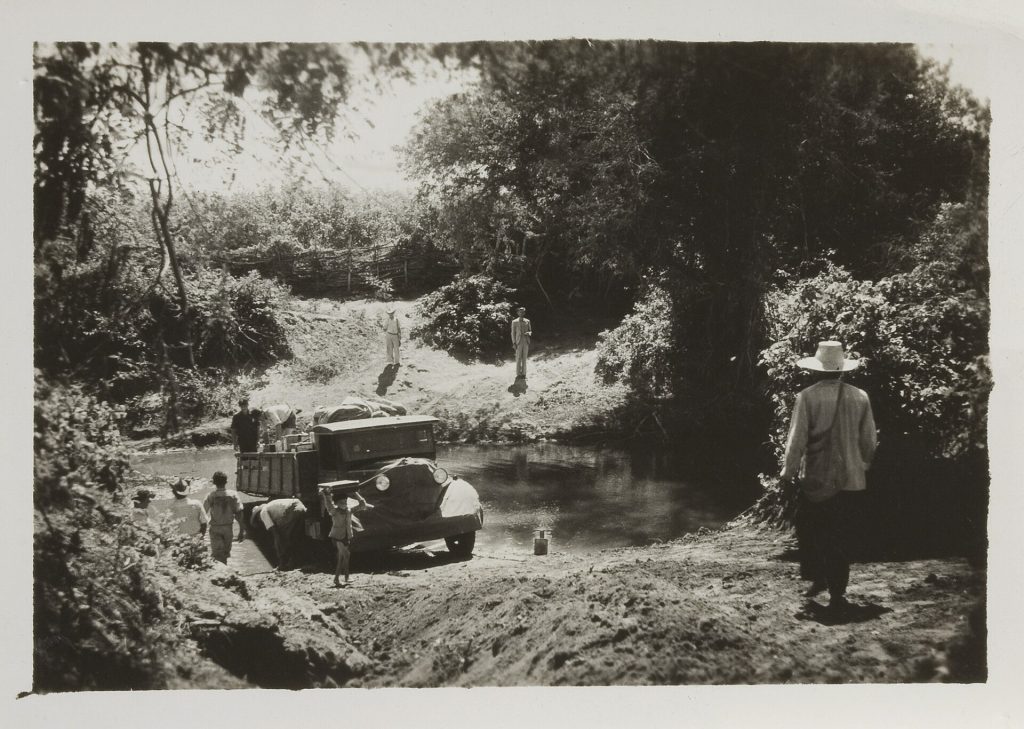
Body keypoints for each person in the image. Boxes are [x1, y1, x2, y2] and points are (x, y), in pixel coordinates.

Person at [781, 341, 878, 612]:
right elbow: (869, 440)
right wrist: (863, 464)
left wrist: (788, 472)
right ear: (842, 369)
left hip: (818, 478)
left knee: (814, 530)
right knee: (840, 536)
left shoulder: (807, 397)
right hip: (852, 480)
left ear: (816, 369)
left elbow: (797, 439)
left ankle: (820, 578)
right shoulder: (860, 396)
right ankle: (837, 592)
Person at [320, 487, 373, 587]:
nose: (344, 504)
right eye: (341, 502)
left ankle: (341, 578)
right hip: (337, 537)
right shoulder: (334, 511)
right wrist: (326, 494)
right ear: (337, 503)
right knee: (346, 555)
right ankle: (342, 578)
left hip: (346, 537)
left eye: (345, 501)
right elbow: (328, 504)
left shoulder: (349, 510)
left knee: (342, 557)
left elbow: (362, 505)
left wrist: (355, 493)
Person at [251, 498, 308, 570]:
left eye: (258, 519)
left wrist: (278, 545)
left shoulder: (263, 513)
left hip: (292, 510)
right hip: (300, 506)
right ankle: (294, 561)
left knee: (282, 537)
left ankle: (283, 563)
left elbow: (275, 533)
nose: (260, 521)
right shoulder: (270, 507)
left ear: (257, 515)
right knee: (294, 536)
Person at [203, 471, 246, 564]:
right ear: (226, 482)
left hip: (215, 528)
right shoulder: (233, 495)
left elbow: (203, 514)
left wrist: (201, 531)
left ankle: (220, 570)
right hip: (228, 528)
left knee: (217, 555)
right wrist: (241, 530)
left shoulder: (211, 496)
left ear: (214, 482)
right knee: (225, 554)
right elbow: (239, 513)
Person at [511, 306, 532, 379]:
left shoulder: (527, 321)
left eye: (523, 312)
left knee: (524, 358)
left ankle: (524, 374)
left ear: (524, 313)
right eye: (520, 312)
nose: (521, 313)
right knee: (518, 358)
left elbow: (530, 331)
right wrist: (514, 343)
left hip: (526, 341)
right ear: (518, 313)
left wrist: (529, 333)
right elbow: (513, 333)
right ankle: (518, 374)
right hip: (518, 342)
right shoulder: (514, 322)